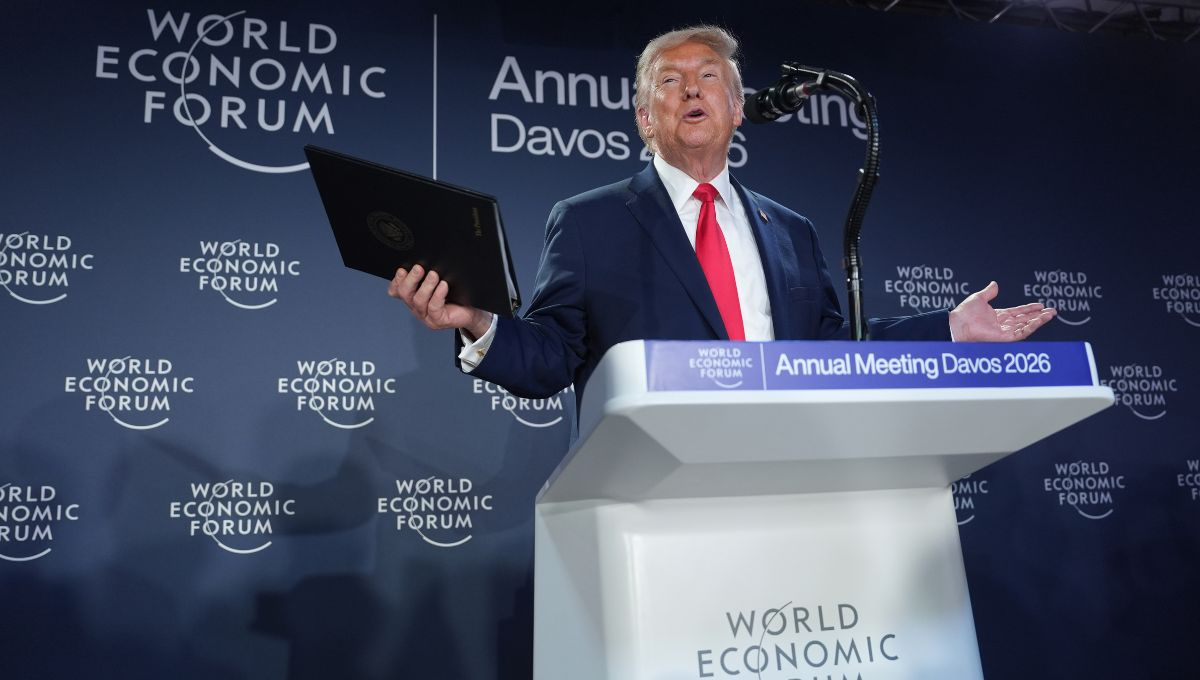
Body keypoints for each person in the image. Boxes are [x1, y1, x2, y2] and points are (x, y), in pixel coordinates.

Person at [388, 25, 1055, 406]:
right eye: (670, 81)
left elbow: (832, 350)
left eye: (709, 77)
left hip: (788, 469)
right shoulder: (590, 223)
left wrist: (948, 329)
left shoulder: (790, 231)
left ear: (737, 110)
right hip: (655, 493)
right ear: (646, 119)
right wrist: (476, 322)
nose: (691, 88)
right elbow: (552, 356)